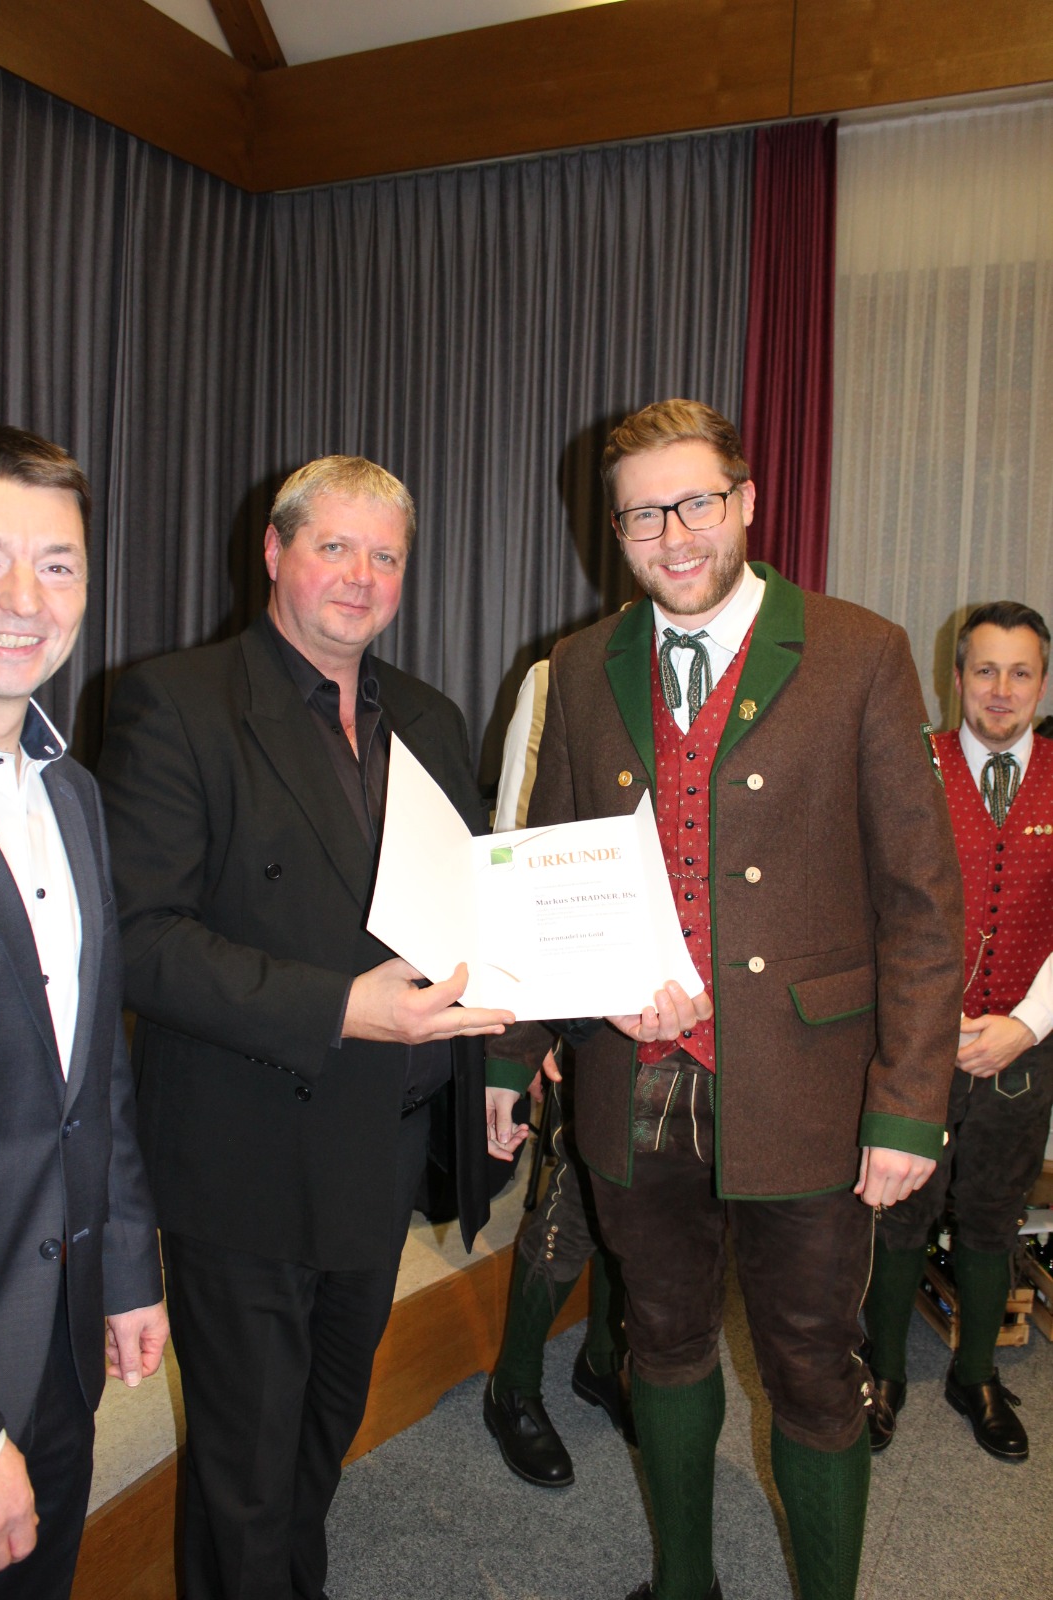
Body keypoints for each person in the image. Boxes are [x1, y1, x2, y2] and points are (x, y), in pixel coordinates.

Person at [485, 399, 964, 1600]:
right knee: (661, 1339)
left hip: (809, 1091)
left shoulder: (858, 650)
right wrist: (515, 1047)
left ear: (746, 500)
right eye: (642, 514)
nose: (673, 534)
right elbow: (548, 865)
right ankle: (684, 1583)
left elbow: (919, 901)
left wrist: (909, 1103)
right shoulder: (580, 666)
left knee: (811, 1367)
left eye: (695, 501)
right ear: (613, 531)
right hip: (632, 1079)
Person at [96, 455, 515, 1600]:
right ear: (274, 552)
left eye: (385, 556)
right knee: (243, 1466)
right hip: (243, 1151)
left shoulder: (430, 716)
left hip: (379, 1148)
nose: (360, 576)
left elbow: (471, 907)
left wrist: (508, 1053)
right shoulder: (174, 702)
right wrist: (339, 1006)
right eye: (335, 546)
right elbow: (139, 937)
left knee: (325, 1428)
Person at [0, 424, 167, 1598]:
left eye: (56, 564)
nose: (23, 599)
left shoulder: (74, 794)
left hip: (55, 1340)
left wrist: (127, 1265)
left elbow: (93, 1067)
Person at [865, 600, 1053, 1463]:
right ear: (957, 678)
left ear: (1042, 684)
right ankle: (882, 1372)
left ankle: (975, 1375)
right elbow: (872, 899)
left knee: (992, 1218)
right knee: (899, 1213)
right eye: (985, 670)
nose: (1001, 690)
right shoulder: (912, 766)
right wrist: (925, 1025)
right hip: (917, 1043)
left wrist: (1024, 1024)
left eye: (1021, 672)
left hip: (1026, 1048)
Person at [484, 660, 634, 1490]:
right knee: (574, 1204)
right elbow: (517, 851)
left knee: (640, 1202)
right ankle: (512, 1385)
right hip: (583, 994)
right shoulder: (558, 679)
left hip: (680, 1004)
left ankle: (602, 1359)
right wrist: (529, 1028)